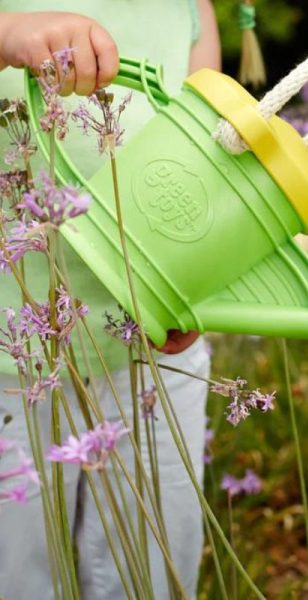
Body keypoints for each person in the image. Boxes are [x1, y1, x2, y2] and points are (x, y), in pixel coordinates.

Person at [0, 2, 220, 598]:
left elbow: (211, 149)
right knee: (15, 572)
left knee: (152, 565)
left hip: (152, 348)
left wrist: (199, 283)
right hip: (11, 354)